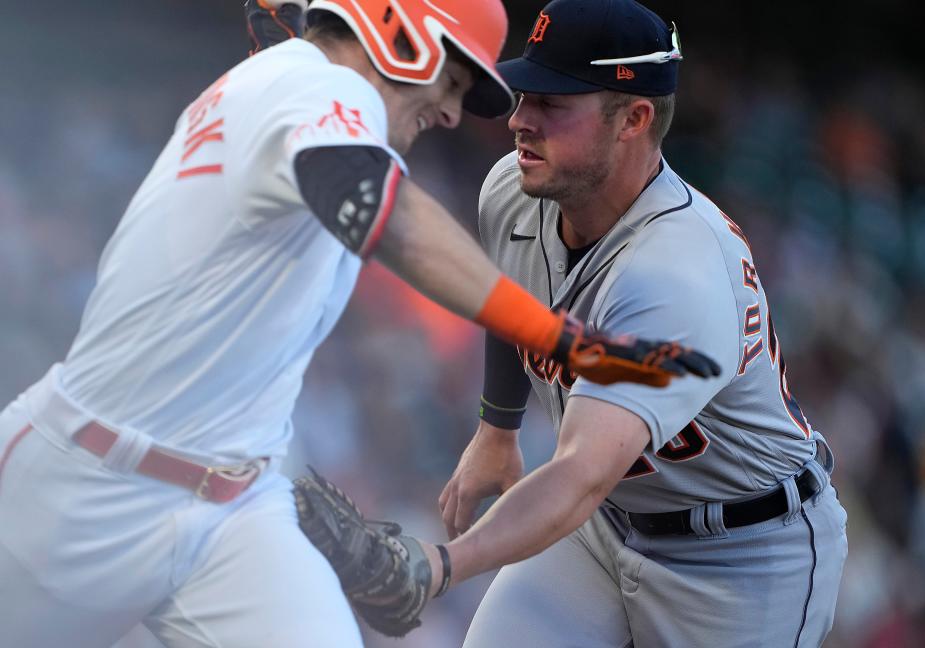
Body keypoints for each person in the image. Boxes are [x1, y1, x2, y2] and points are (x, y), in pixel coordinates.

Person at [0, 1, 719, 647]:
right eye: (454, 76)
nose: (450, 111)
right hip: (82, 488)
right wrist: (562, 339)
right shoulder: (320, 86)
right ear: (400, 35)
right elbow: (392, 220)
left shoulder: (297, 84)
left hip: (235, 514)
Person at [433, 1, 849, 646]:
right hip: (607, 525)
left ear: (634, 117)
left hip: (743, 558)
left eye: (552, 103)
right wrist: (497, 428)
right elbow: (510, 297)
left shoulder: (674, 271)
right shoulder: (515, 189)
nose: (520, 120)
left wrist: (439, 566)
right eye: (524, 94)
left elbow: (577, 476)